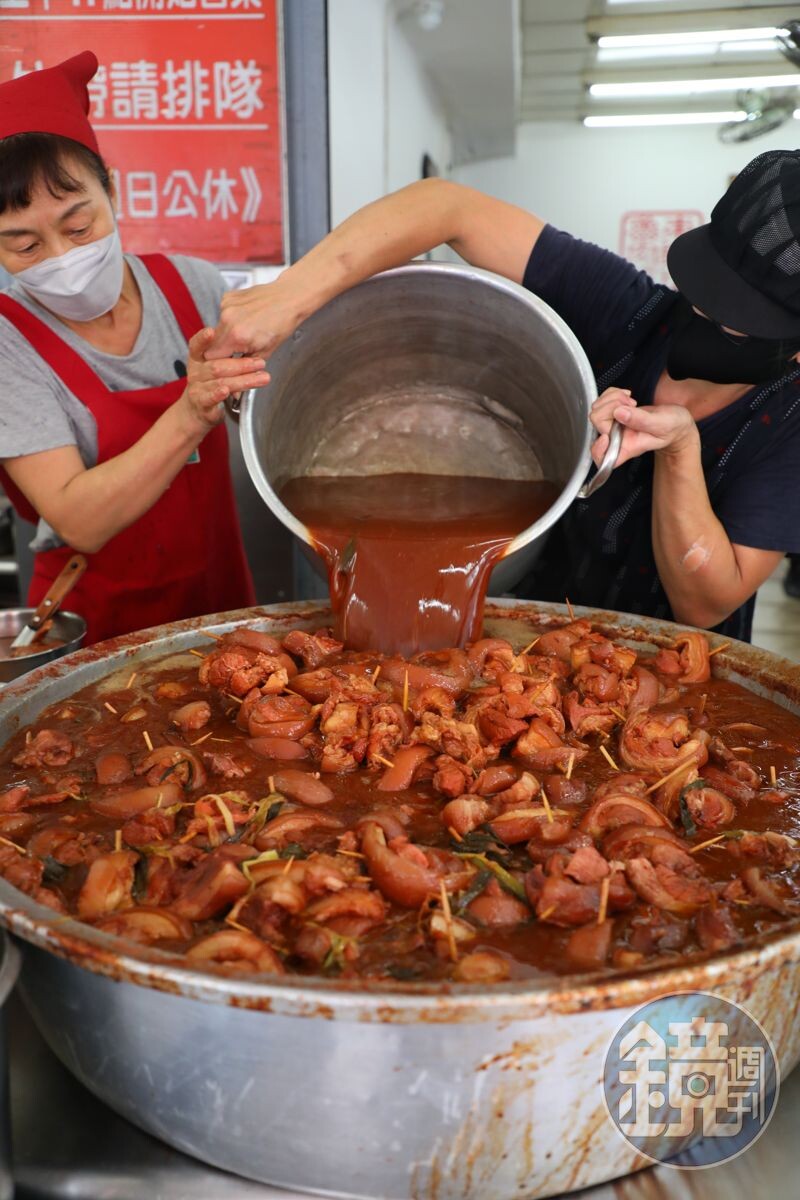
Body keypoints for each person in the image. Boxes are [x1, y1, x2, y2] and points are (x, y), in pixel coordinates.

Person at [210, 151, 800, 643]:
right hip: (533, 646)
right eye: (701, 295)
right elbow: (448, 207)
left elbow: (706, 602)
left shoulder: (788, 424)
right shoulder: (632, 312)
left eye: (737, 323)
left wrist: (678, 451)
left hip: (670, 677)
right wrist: (288, 296)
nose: (700, 316)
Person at [0, 53, 267, 644]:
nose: (61, 260)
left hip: (217, 599)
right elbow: (78, 519)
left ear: (111, 191)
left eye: (78, 227)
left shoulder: (193, 285)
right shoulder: (7, 343)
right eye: (24, 246)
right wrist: (190, 411)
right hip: (95, 624)